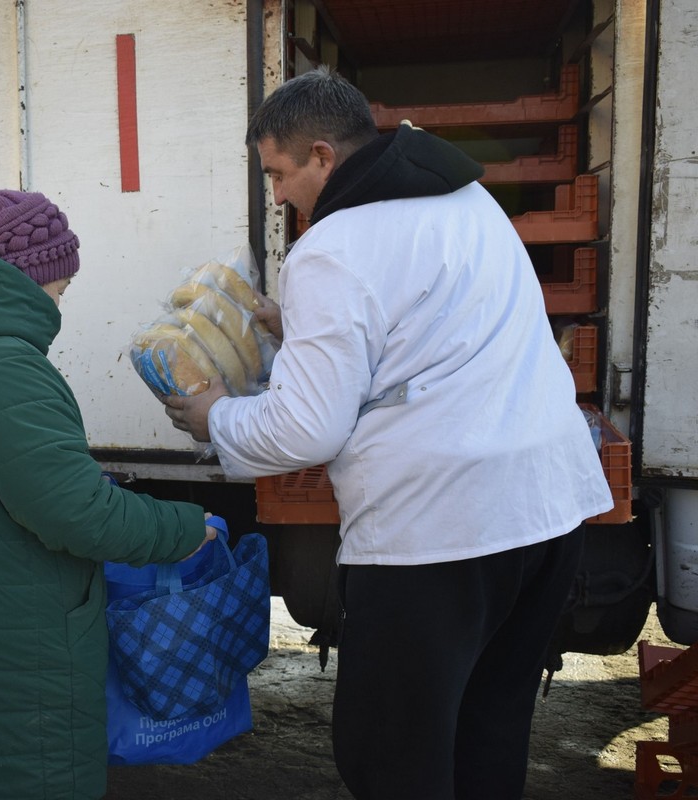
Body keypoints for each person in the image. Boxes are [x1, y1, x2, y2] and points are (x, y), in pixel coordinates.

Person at [162, 66, 614, 800]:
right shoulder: (463, 195)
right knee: (486, 732)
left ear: (322, 158)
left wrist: (213, 415)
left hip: (441, 532)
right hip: (547, 510)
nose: (277, 195)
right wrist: (303, 321)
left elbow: (305, 429)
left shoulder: (332, 248)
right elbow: (429, 322)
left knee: (390, 754)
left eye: (278, 173)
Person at [0, 189, 218, 799]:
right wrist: (186, 530)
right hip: (5, 660)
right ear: (29, 278)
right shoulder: (2, 365)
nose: (62, 299)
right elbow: (76, 513)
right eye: (61, 284)